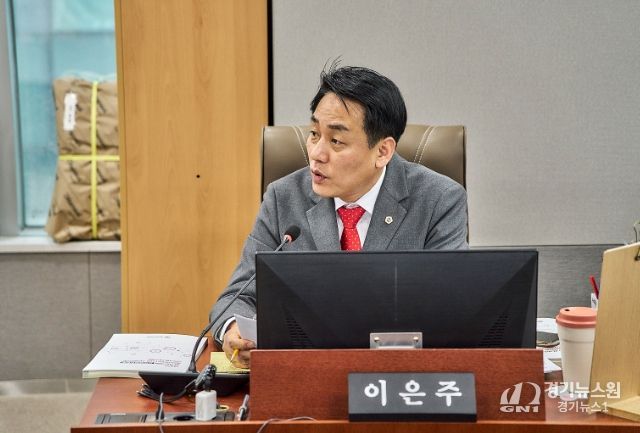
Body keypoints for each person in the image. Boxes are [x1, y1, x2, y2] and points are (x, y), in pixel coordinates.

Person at [209, 63, 468, 367]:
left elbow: (451, 309)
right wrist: (233, 330)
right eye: (314, 134)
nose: (316, 154)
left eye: (336, 141)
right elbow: (236, 298)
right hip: (307, 371)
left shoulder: (438, 200)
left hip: (397, 373)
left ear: (382, 152)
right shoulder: (283, 198)